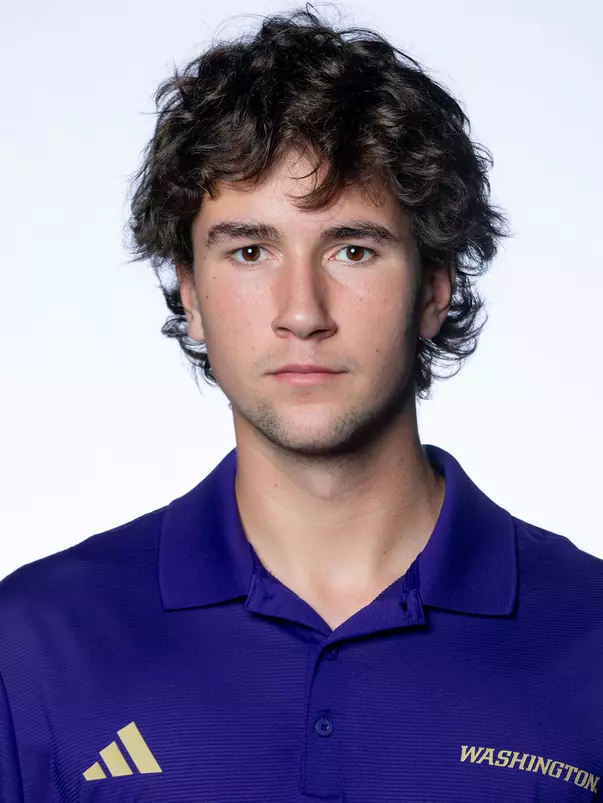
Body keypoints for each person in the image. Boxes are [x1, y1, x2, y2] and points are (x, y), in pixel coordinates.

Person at [1, 6, 601, 802]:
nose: (302, 310)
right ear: (193, 296)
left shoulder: (588, 637)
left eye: (353, 248)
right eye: (250, 251)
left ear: (433, 289)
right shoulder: (36, 642)